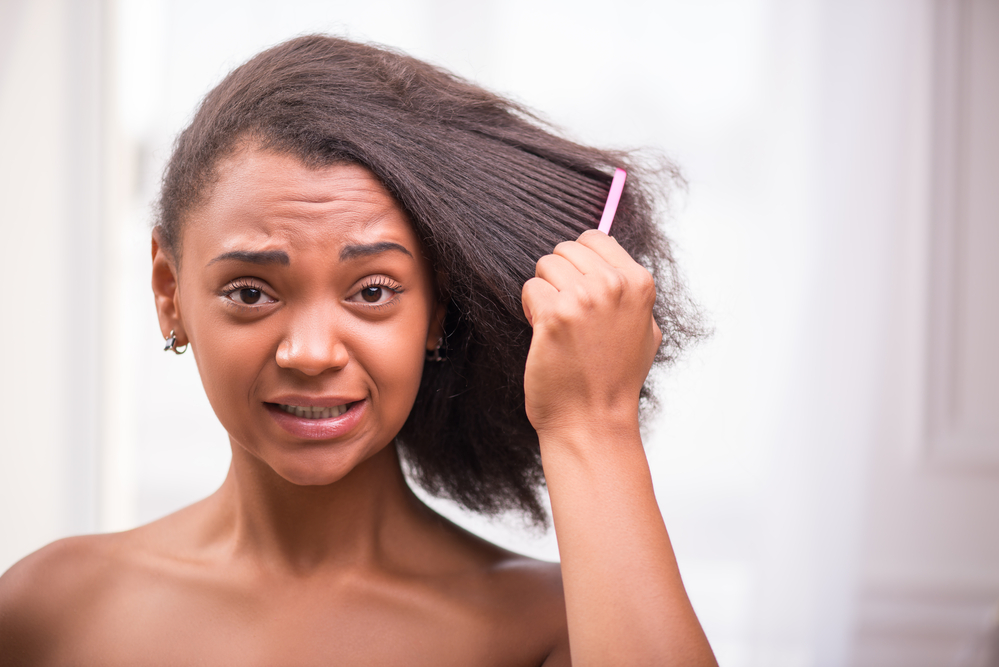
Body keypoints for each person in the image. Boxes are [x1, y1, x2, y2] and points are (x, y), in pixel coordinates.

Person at [0, 35, 716, 666]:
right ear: (170, 291)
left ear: (436, 310)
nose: (310, 353)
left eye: (372, 291)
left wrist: (591, 422)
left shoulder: (552, 631)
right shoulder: (50, 609)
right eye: (251, 292)